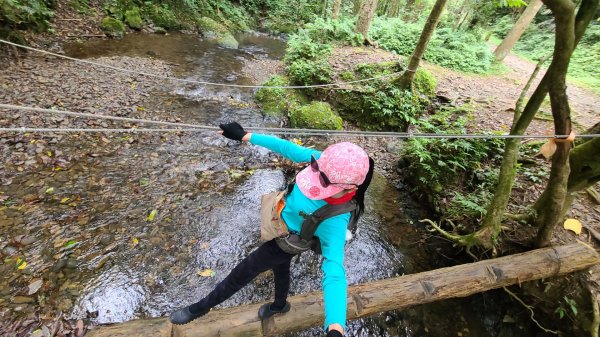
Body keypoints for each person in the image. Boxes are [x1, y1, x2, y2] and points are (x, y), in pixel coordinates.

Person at [169, 122, 374, 337]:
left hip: (286, 242)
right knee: (281, 268)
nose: (315, 173)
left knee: (242, 272)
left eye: (323, 180)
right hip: (279, 224)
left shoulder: (336, 220)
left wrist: (336, 326)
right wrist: (244, 136)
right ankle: (279, 305)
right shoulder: (327, 164)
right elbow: (285, 147)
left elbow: (335, 272)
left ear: (350, 188)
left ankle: (200, 308)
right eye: (315, 168)